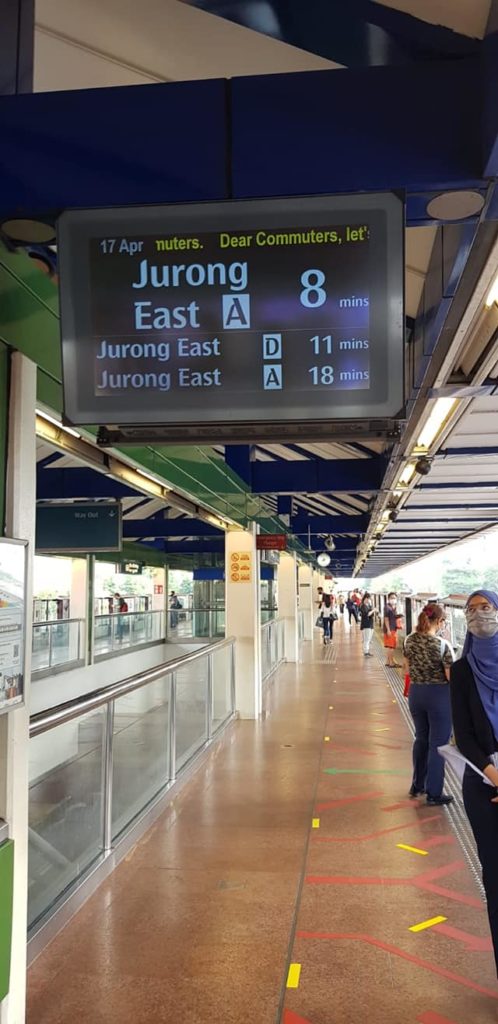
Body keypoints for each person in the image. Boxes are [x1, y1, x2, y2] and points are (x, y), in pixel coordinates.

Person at [450, 590, 498, 978]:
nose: (479, 615)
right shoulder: (462, 670)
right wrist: (494, 773)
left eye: (487, 608)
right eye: (472, 610)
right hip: (483, 784)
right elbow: (463, 735)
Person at [403, 603, 454, 805]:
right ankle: (434, 793)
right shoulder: (443, 646)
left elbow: (406, 669)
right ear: (440, 622)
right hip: (438, 696)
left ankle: (417, 785)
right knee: (438, 744)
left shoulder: (409, 640)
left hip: (416, 694)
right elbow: (451, 677)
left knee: (421, 739)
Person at [383, 592, 401, 667]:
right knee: (391, 647)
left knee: (390, 646)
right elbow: (386, 619)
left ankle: (388, 661)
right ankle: (391, 663)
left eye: (394, 598)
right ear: (389, 598)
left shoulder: (392, 607)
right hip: (390, 629)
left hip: (393, 628)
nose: (393, 599)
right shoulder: (387, 607)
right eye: (392, 598)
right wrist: (388, 630)